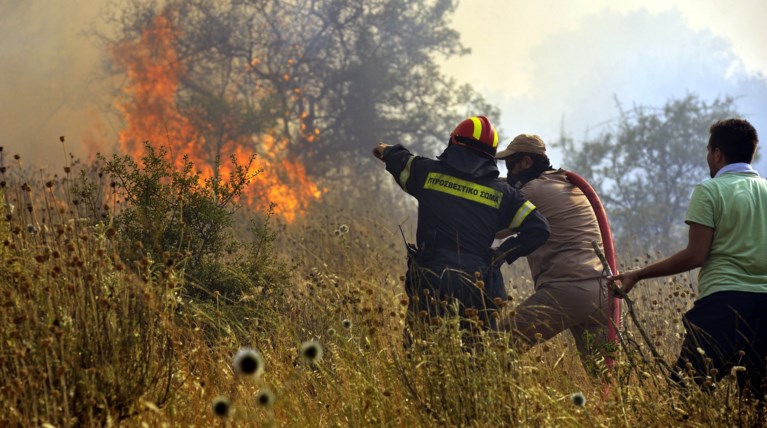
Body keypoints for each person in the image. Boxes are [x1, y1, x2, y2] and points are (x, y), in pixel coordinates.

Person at [609, 118, 767, 399]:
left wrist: (638, 274)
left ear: (717, 153)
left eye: (709, 150)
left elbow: (695, 255)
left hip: (723, 307)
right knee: (756, 405)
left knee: (684, 398)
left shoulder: (711, 190)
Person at [373, 116, 550, 337]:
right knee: (473, 362)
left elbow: (398, 158)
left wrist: (384, 150)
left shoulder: (426, 172)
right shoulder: (505, 195)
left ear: (454, 144)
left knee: (420, 352)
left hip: (431, 281)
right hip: (477, 285)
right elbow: (539, 229)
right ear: (491, 156)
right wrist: (501, 254)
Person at [495, 134, 612, 371]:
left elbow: (497, 230)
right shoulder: (564, 183)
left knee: (497, 345)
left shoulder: (533, 190)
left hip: (567, 291)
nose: (509, 171)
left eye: (510, 164)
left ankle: (501, 403)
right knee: (604, 379)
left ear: (526, 162)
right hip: (602, 292)